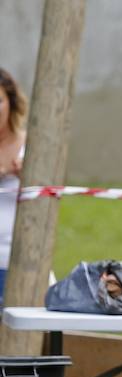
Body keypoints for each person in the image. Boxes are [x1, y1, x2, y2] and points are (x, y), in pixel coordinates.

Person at [0, 68, 27, 307]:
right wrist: (5, 171)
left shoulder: (32, 145)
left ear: (11, 102)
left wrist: (30, 176)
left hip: (16, 259)